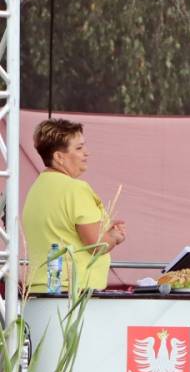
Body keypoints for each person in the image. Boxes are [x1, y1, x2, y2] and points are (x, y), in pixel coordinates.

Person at [23, 118, 126, 291]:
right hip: (73, 294)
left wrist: (104, 228)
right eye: (79, 148)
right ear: (59, 157)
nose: (86, 153)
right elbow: (96, 245)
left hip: (38, 291)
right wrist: (114, 237)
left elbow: (61, 231)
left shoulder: (36, 188)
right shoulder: (76, 189)